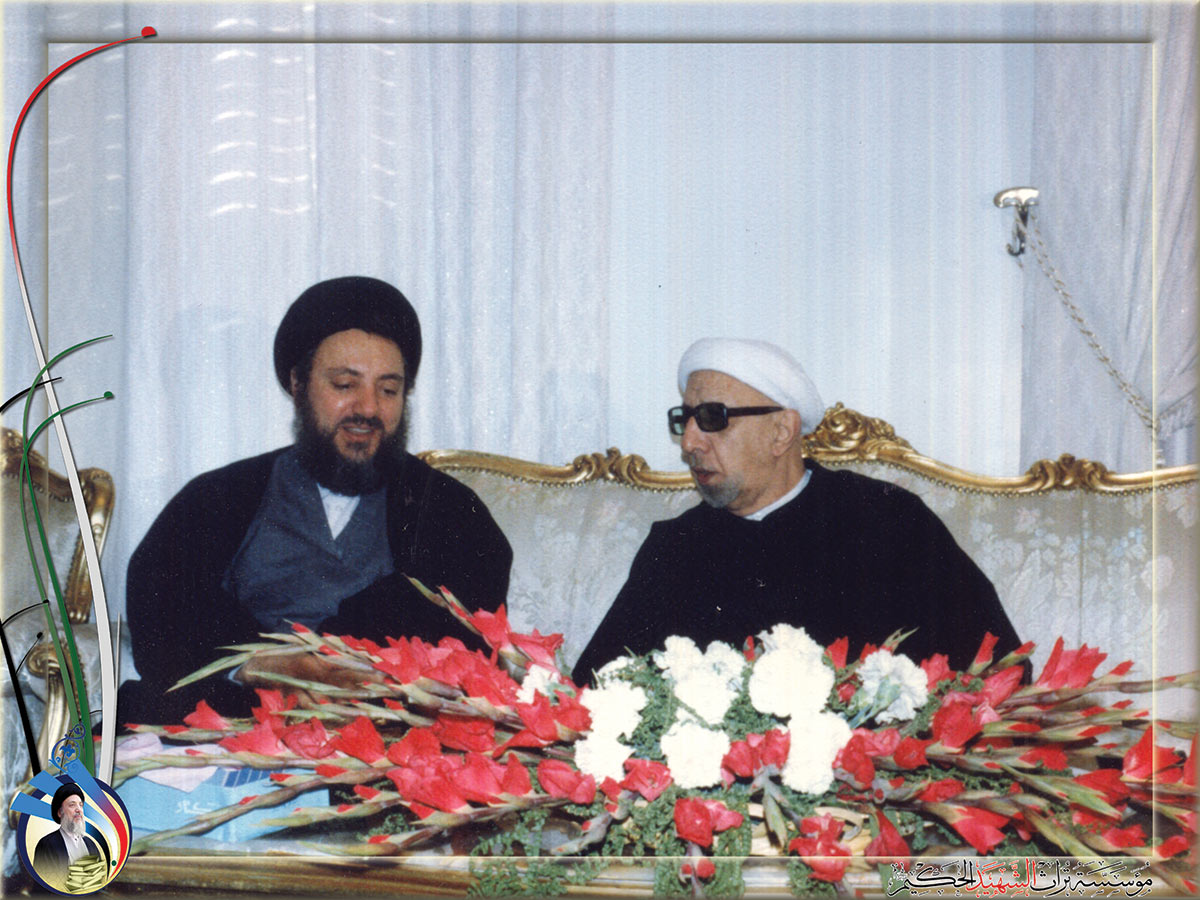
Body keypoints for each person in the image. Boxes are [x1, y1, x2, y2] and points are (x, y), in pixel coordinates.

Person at [118, 277, 513, 724]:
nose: (368, 408)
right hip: (235, 718)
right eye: (345, 384)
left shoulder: (450, 512)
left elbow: (467, 632)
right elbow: (160, 607)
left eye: (388, 390)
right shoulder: (219, 498)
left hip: (386, 728)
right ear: (298, 384)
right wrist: (261, 665)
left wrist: (342, 662)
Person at [573, 337, 1023, 682]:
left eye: (712, 418)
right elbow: (597, 688)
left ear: (782, 432)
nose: (690, 442)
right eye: (685, 419)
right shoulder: (675, 547)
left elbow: (996, 671)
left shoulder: (888, 522)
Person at [32, 784, 109, 892]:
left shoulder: (91, 844)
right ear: (60, 812)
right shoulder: (47, 844)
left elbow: (100, 882)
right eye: (72, 805)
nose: (79, 810)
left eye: (81, 805)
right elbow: (43, 890)